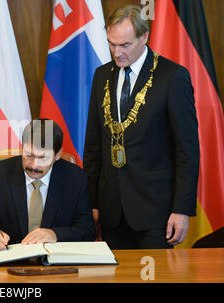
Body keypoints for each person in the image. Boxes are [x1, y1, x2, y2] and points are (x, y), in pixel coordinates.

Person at [83, 5, 199, 249]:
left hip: (156, 213)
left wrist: (181, 209)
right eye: (111, 44)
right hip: (111, 212)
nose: (117, 52)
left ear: (144, 37)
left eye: (124, 45)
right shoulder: (101, 75)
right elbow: (93, 145)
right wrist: (91, 203)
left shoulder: (173, 77)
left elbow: (187, 151)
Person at [0, 119, 96, 250]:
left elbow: (87, 230)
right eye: (29, 155)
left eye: (43, 158)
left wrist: (55, 235)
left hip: (56, 263)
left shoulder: (75, 178)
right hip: (11, 262)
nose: (34, 165)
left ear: (57, 155)